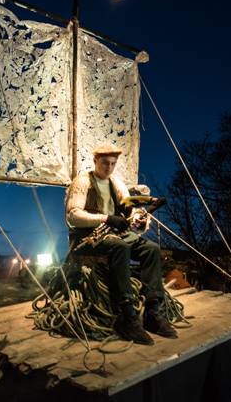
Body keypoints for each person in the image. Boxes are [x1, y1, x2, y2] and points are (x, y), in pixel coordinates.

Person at [65, 143, 176, 345]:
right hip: (87, 239)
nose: (109, 168)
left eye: (113, 164)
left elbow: (130, 211)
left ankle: (152, 311)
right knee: (120, 248)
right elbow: (73, 215)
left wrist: (140, 222)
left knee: (151, 249)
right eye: (105, 163)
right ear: (95, 161)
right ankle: (126, 315)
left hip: (115, 234)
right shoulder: (82, 182)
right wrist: (106, 219)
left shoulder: (116, 183)